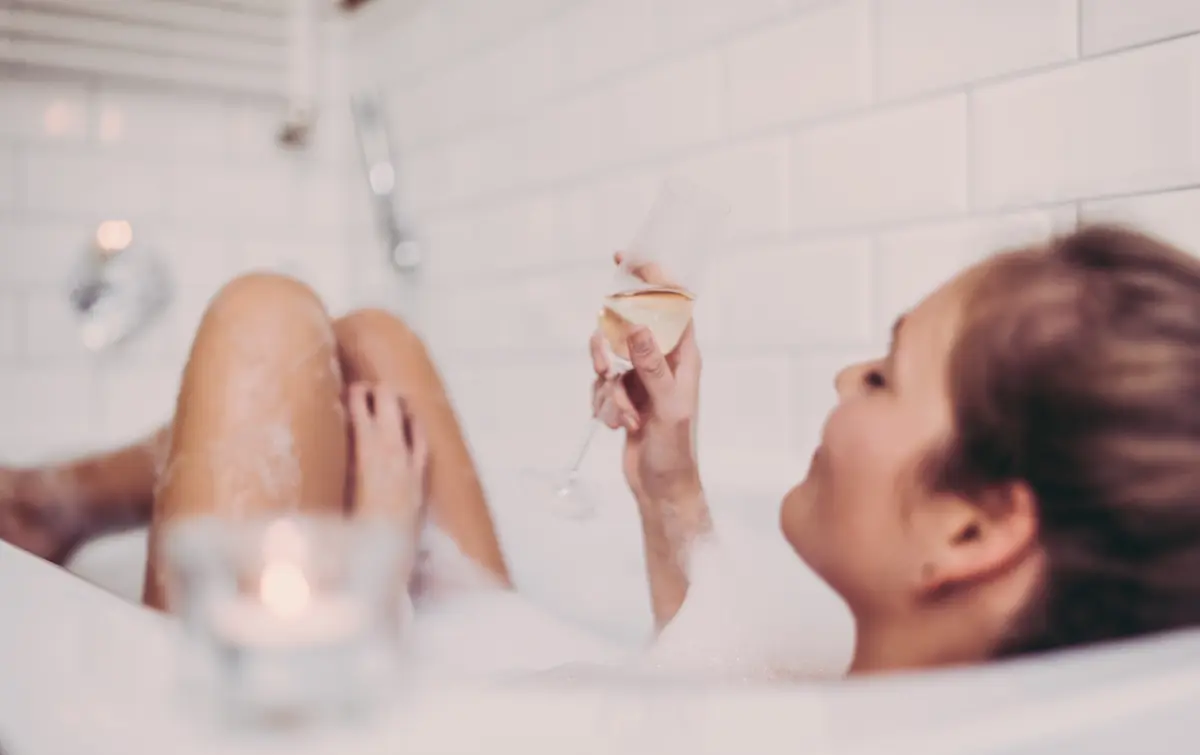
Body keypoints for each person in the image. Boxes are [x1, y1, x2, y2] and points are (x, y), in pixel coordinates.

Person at [5, 223, 1200, 675]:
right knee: (368, 340)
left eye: (885, 373)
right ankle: (56, 507)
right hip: (492, 661)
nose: (846, 377)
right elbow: (728, 674)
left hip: (327, 732)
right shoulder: (880, 688)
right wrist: (669, 477)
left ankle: (46, 500)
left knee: (268, 312)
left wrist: (370, 569)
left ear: (973, 528)